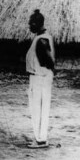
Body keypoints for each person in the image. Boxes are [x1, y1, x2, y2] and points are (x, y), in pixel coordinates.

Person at [26, 9, 55, 149]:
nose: (30, 27)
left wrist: (42, 72)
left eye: (32, 24)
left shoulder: (42, 39)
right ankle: (40, 137)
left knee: (38, 108)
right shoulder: (41, 37)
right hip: (41, 76)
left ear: (37, 24)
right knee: (40, 108)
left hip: (40, 77)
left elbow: (48, 61)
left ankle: (40, 140)